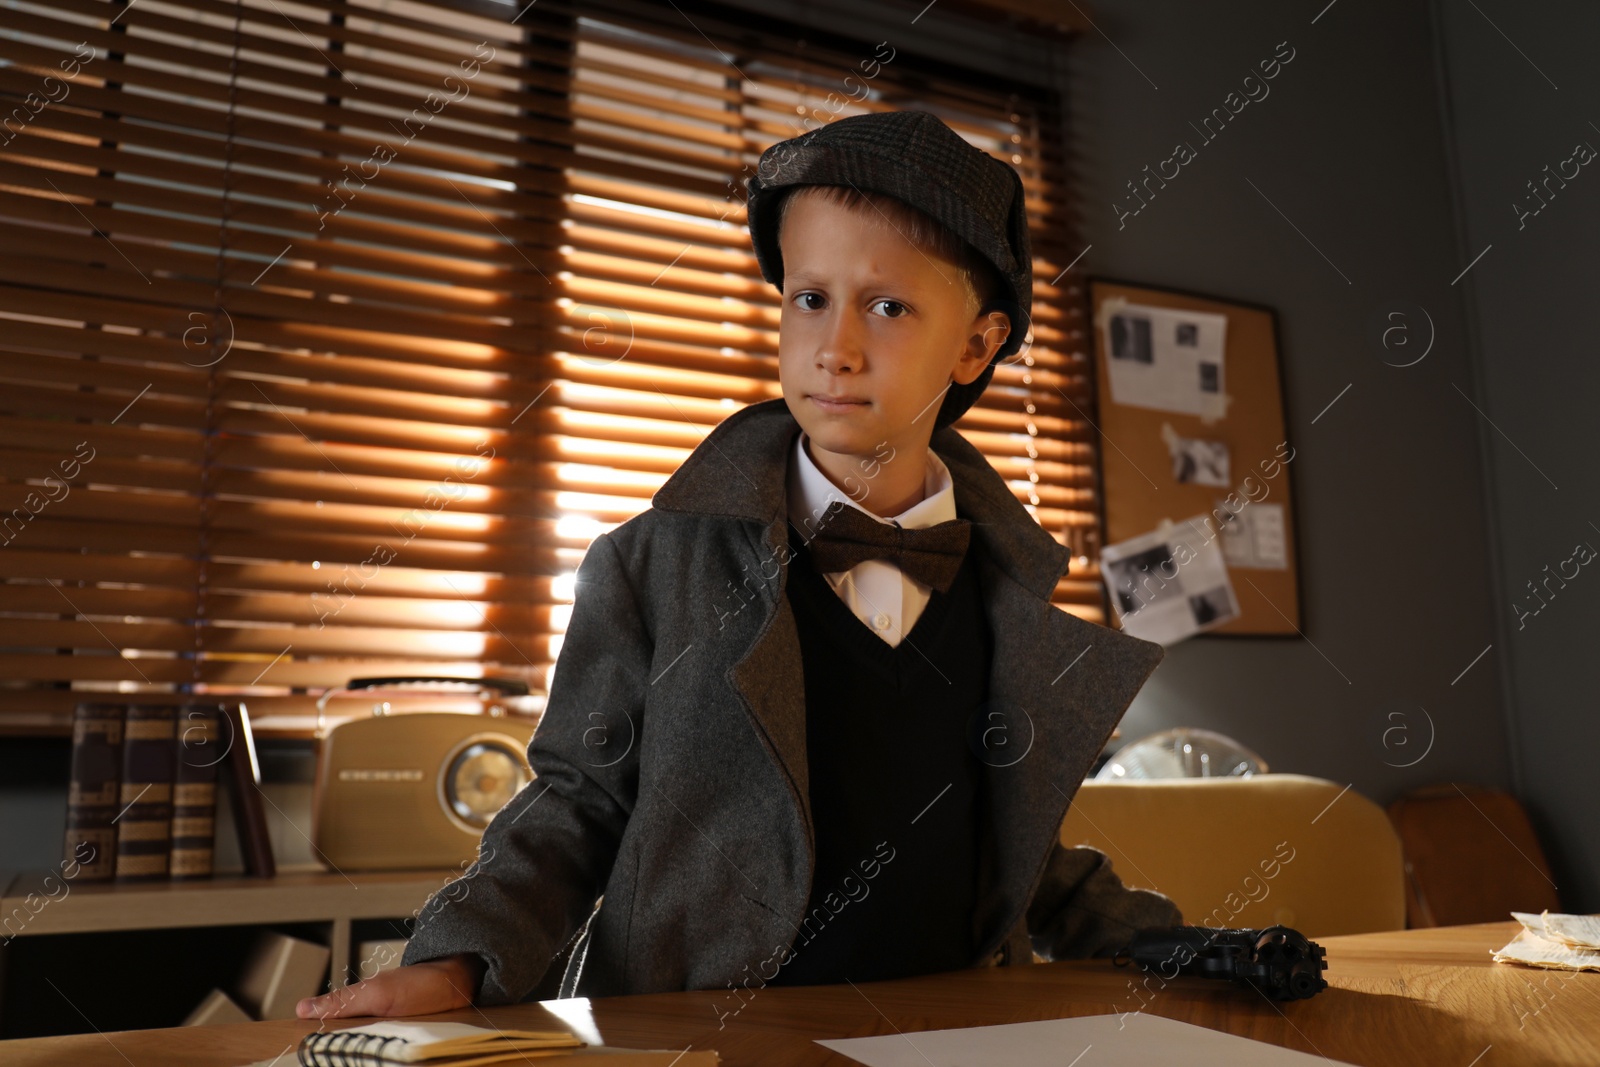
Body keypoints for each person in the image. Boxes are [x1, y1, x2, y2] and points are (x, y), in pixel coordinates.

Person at [297, 109, 1180, 1021]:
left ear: (976, 344)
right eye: (808, 298)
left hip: (953, 1034)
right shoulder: (648, 566)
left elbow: (1026, 851)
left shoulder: (1005, 586)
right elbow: (574, 806)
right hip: (698, 1041)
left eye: (887, 306)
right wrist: (454, 961)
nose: (834, 346)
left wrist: (1185, 947)